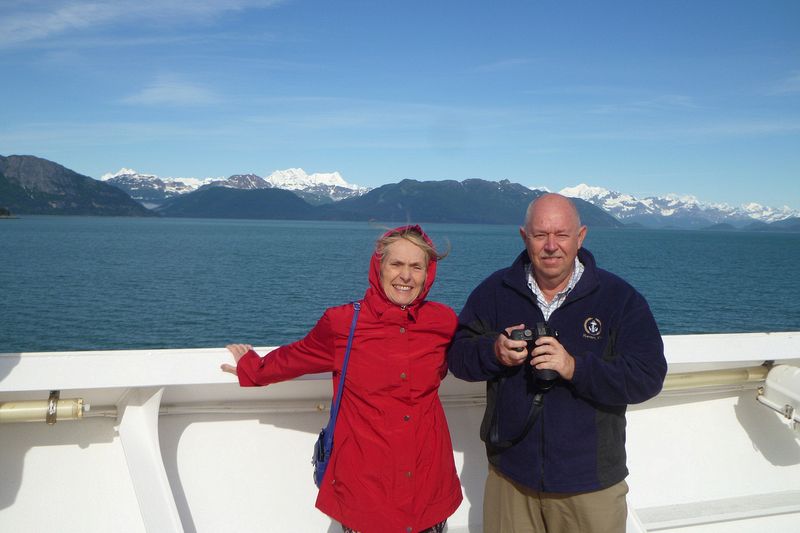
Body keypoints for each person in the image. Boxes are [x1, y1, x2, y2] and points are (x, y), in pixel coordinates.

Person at [446, 193, 667, 533]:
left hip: (590, 484)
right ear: (524, 237)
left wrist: (575, 367)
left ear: (580, 237)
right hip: (512, 478)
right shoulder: (494, 292)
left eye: (562, 234)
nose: (551, 246)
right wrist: (495, 352)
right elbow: (459, 357)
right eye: (540, 235)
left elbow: (648, 376)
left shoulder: (619, 298)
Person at [221, 225, 462, 533]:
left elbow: (464, 357)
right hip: (367, 488)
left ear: (428, 273)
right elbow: (296, 357)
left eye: (416, 267)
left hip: (429, 484)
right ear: (379, 267)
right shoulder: (343, 322)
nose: (406, 276)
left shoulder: (442, 321)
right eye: (396, 264)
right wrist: (250, 367)